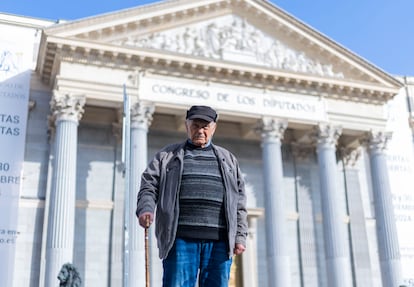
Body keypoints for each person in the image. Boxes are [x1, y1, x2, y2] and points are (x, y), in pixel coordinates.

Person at [136, 105, 248, 287]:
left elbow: (240, 202)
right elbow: (148, 185)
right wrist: (146, 208)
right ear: (187, 125)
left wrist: (240, 236)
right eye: (196, 125)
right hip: (179, 238)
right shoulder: (167, 156)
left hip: (219, 241)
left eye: (205, 126)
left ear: (213, 128)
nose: (200, 130)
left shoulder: (229, 160)